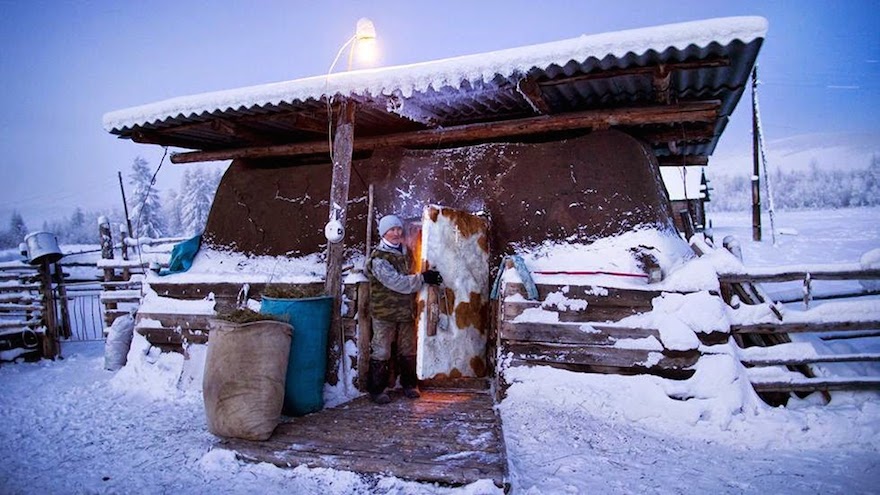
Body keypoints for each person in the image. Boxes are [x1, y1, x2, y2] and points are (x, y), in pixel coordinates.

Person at [366, 214, 442, 404]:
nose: (396, 233)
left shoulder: (407, 253)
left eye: (398, 229)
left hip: (406, 311)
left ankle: (409, 385)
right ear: (384, 233)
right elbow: (397, 283)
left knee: (408, 349)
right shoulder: (378, 259)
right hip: (385, 312)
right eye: (391, 230)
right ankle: (377, 389)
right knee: (382, 350)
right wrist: (423, 278)